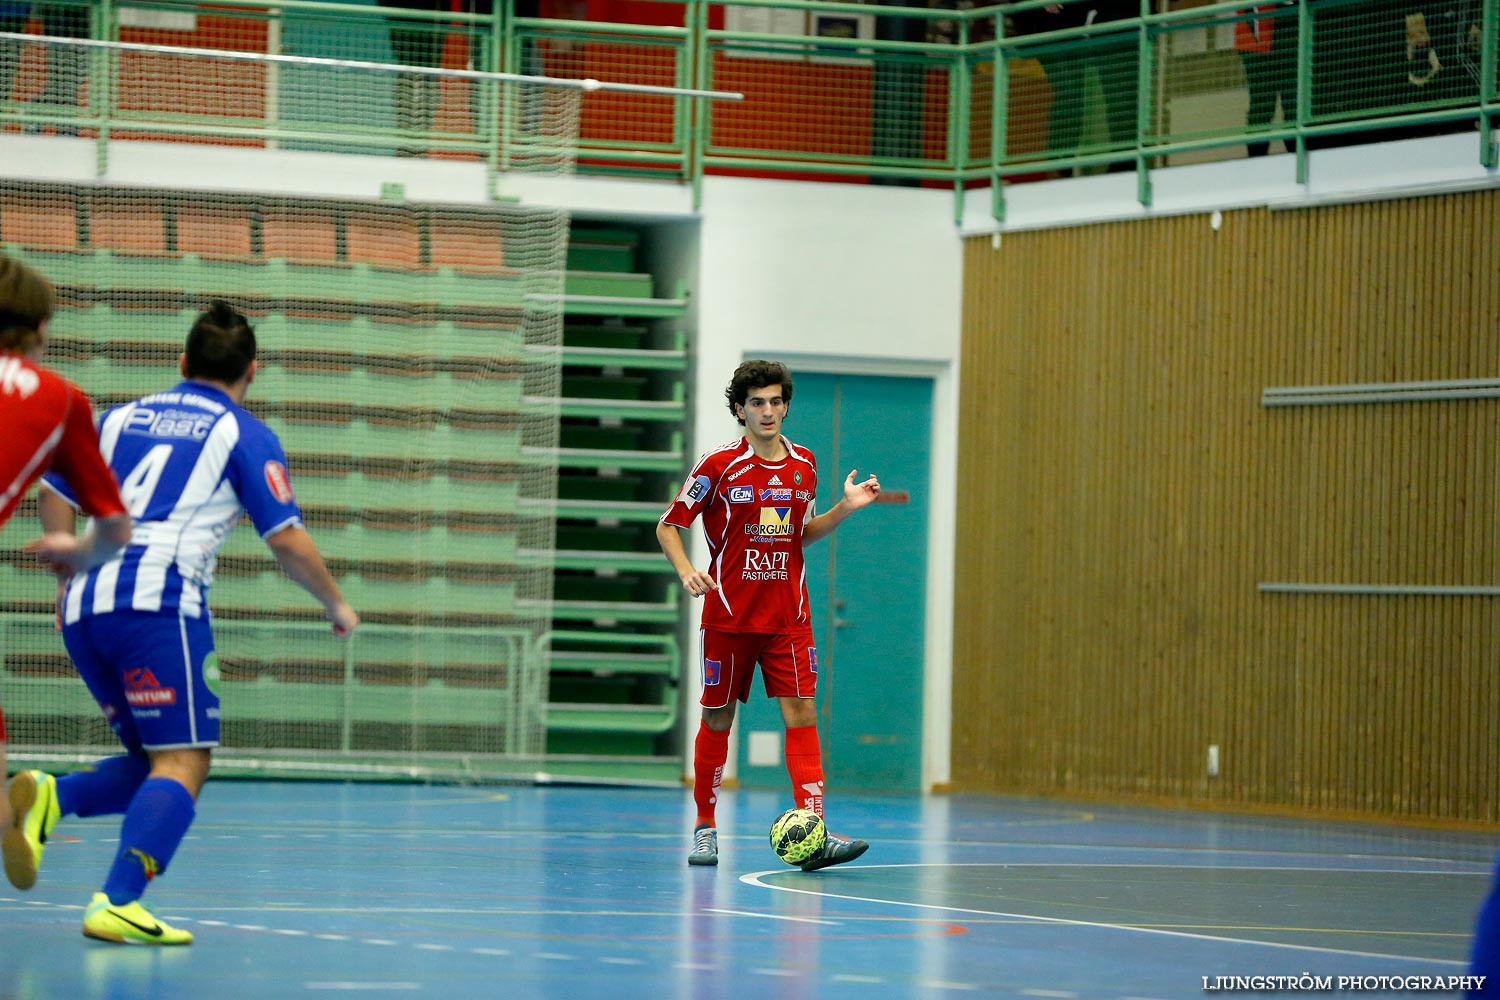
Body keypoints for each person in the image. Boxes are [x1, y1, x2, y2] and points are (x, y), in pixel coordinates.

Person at [4, 300, 360, 946]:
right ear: (251, 372)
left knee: (153, 762)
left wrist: (61, 546)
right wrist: (336, 604)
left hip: (84, 608)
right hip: (159, 605)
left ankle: (52, 797)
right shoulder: (244, 433)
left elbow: (54, 476)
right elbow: (285, 538)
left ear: (181, 363)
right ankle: (117, 900)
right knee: (186, 761)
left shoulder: (114, 418)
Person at [656, 360, 880, 870]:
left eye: (776, 401)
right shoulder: (718, 466)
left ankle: (815, 830)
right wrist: (689, 570)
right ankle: (704, 826)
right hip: (729, 618)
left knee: (802, 713)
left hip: (789, 618)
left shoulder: (805, 463)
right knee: (718, 717)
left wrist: (845, 508)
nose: (768, 410)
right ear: (740, 409)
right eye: (756, 402)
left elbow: (799, 533)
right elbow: (669, 526)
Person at [0, 252, 131, 885]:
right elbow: (113, 526)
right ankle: (9, 816)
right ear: (43, 328)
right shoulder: (60, 400)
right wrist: (72, 553)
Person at [1234, 3, 1297, 156]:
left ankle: (1296, 153)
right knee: (1263, 104)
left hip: (1291, 31)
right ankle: (1257, 159)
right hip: (1257, 35)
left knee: (1293, 103)